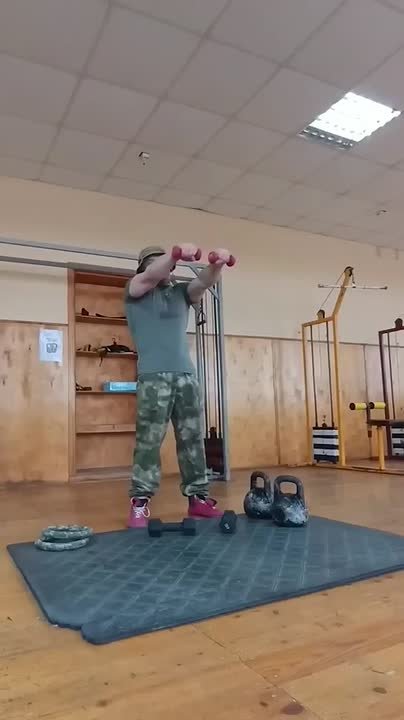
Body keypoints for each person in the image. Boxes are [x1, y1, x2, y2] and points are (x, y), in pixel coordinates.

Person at [124, 243, 235, 528]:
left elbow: (204, 281)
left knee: (192, 440)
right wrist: (173, 254)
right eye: (154, 263)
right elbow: (151, 275)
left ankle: (198, 499)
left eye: (166, 264)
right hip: (153, 378)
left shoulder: (181, 293)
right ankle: (140, 503)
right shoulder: (136, 289)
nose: (163, 268)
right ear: (144, 267)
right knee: (149, 441)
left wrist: (218, 263)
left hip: (186, 376)